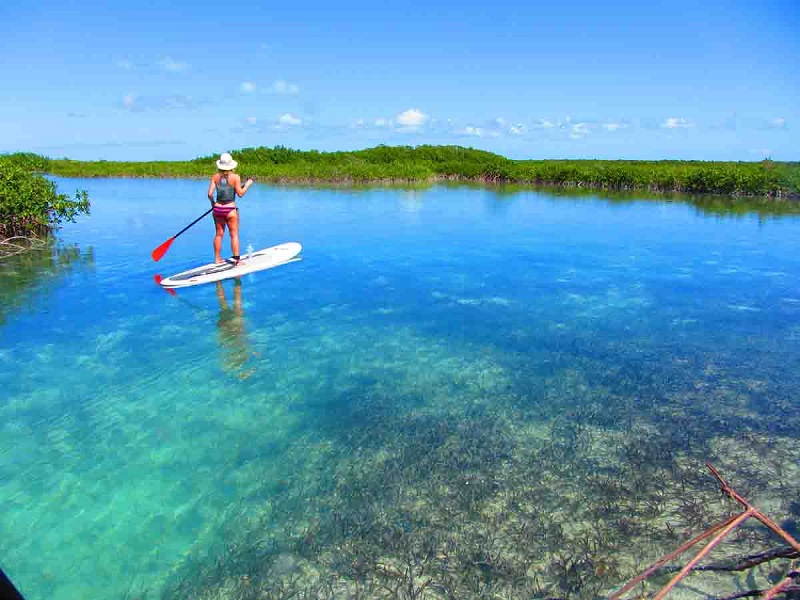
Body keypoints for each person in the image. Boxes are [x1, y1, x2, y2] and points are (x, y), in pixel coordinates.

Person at [208, 152, 254, 264]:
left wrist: (213, 204)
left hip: (217, 209)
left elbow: (209, 194)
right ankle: (237, 260)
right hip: (230, 210)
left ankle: (217, 258)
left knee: (219, 233)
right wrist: (248, 184)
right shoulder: (235, 177)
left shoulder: (215, 177)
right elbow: (240, 193)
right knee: (234, 234)